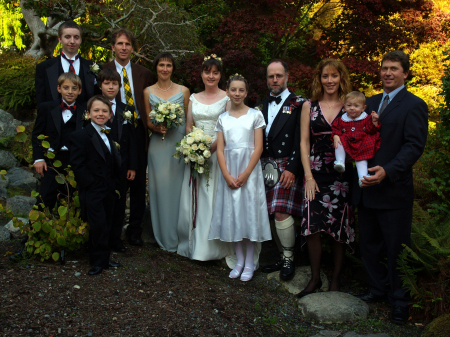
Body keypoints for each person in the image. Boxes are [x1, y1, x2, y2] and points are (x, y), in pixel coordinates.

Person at [353, 51, 428, 324]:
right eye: (384, 68)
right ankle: (377, 289)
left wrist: (388, 170)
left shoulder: (414, 105)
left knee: (396, 247)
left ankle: (400, 301)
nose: (387, 73)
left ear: (405, 73)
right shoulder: (369, 102)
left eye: (394, 69)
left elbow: (414, 146)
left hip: (393, 189)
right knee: (370, 245)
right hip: (366, 187)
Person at [298, 58, 354, 298]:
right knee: (312, 226)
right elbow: (303, 142)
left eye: (334, 75)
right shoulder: (309, 106)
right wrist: (308, 176)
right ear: (319, 79)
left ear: (341, 77)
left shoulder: (350, 105)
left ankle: (336, 280)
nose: (329, 80)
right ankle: (314, 279)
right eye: (325, 76)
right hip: (315, 172)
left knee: (339, 228)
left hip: (342, 175)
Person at [209, 75, 271, 281]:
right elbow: (220, 149)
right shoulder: (222, 119)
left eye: (241, 90)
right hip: (229, 170)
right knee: (233, 213)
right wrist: (226, 174)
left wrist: (245, 174)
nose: (237, 93)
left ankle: (251, 262)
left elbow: (259, 147)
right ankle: (239, 259)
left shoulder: (255, 115)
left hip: (249, 171)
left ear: (246, 92)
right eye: (233, 90)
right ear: (227, 91)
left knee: (249, 213)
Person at [177, 55, 235, 265]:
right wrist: (193, 146)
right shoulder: (193, 97)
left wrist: (210, 147)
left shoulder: (227, 98)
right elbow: (189, 126)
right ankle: (195, 244)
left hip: (217, 155)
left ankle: (212, 247)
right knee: (196, 197)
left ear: (220, 75)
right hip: (196, 155)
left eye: (215, 72)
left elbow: (227, 127)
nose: (211, 76)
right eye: (207, 72)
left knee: (212, 199)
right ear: (201, 74)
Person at [103, 28, 153, 246]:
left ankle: (135, 229)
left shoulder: (145, 73)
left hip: (138, 131)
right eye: (120, 44)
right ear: (113, 46)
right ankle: (113, 229)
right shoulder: (102, 70)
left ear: (133, 48)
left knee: (139, 182)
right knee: (117, 180)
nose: (124, 48)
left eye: (128, 44)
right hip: (112, 130)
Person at [258, 60, 305, 281]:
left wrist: (293, 168)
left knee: (280, 211)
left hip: (287, 164)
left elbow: (301, 140)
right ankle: (281, 255)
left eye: (278, 75)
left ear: (287, 76)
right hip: (264, 164)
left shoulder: (299, 103)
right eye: (270, 76)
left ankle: (288, 257)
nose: (274, 80)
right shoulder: (261, 106)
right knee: (269, 212)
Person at [70, 95, 121, 275]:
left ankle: (105, 258)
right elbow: (78, 164)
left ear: (110, 114)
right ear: (88, 113)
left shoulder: (109, 133)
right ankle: (97, 261)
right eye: (96, 110)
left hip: (108, 188)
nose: (101, 114)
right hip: (92, 189)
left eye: (104, 111)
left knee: (107, 222)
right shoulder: (80, 136)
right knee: (97, 224)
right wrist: (90, 184)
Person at [144, 52, 190, 252]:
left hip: (178, 145)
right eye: (161, 64)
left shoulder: (184, 91)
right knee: (159, 190)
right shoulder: (148, 91)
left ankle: (180, 235)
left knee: (179, 191)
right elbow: (148, 120)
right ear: (156, 67)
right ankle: (163, 236)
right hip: (158, 145)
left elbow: (189, 121)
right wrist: (156, 127)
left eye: (168, 65)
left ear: (173, 68)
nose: (165, 69)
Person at [97, 69, 138, 253]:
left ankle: (115, 240)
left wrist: (132, 166)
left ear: (119, 87)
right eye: (107, 83)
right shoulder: (93, 107)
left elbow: (132, 139)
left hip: (122, 165)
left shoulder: (126, 109)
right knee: (101, 202)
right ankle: (100, 240)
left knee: (120, 203)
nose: (111, 86)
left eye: (114, 83)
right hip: (100, 165)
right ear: (100, 86)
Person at [31, 72, 86, 209]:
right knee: (44, 200)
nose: (70, 92)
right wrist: (38, 158)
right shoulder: (46, 108)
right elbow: (37, 134)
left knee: (73, 200)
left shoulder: (86, 110)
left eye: (74, 88)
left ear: (80, 91)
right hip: (52, 160)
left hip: (76, 160)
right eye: (66, 88)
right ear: (59, 88)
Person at [35, 20, 98, 107]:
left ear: (81, 40)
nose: (72, 41)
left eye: (76, 37)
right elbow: (41, 102)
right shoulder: (44, 68)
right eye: (67, 37)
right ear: (60, 39)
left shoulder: (93, 67)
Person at [332, 91, 381, 186]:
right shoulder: (341, 119)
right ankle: (340, 162)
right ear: (344, 106)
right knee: (339, 140)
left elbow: (371, 130)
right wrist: (335, 135)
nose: (352, 108)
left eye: (356, 106)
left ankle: (363, 177)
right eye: (349, 105)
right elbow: (336, 128)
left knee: (362, 159)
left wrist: (374, 121)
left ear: (363, 108)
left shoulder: (366, 119)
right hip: (346, 143)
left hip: (361, 144)